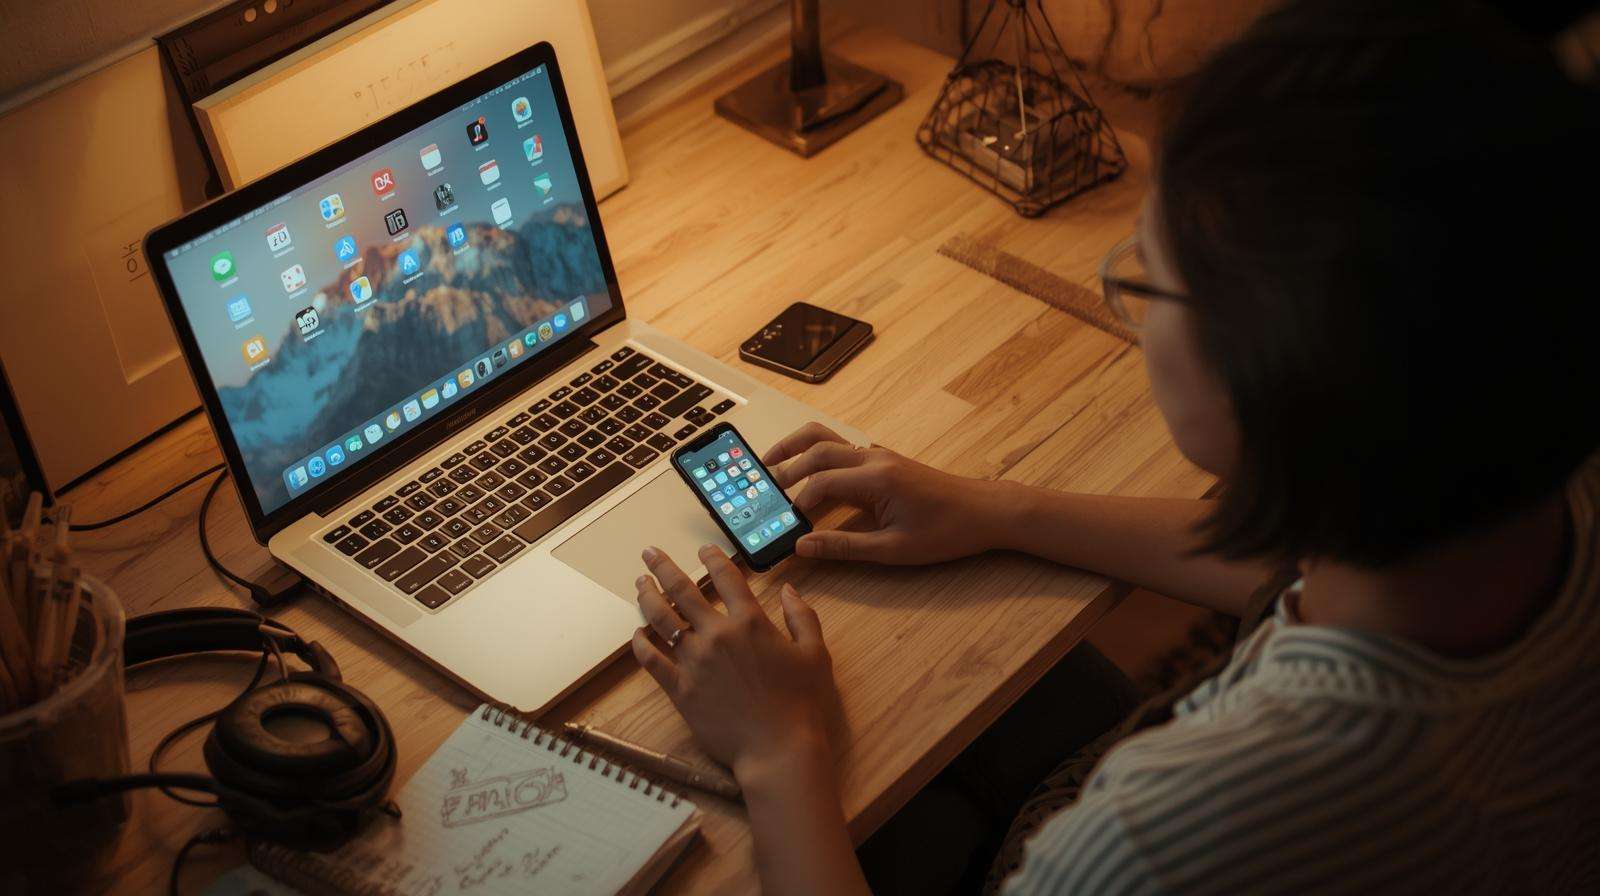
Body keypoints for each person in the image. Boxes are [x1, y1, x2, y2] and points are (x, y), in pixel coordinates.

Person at [627, 0, 1600, 892]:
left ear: (1266, 376)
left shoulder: (1154, 840)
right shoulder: (1528, 467)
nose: (1123, 290)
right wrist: (1000, 507)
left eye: (1148, 272)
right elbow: (1300, 556)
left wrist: (778, 752)